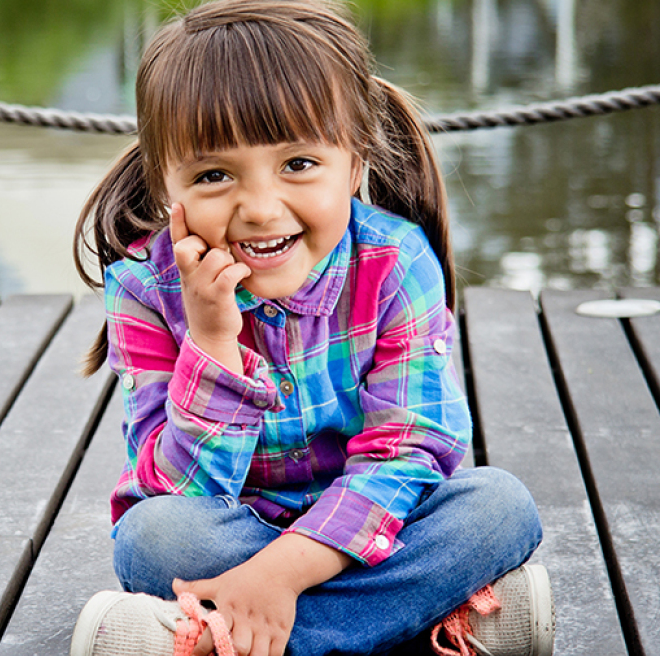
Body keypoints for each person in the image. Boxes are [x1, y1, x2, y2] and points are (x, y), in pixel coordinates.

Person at [67, 1, 554, 655]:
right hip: (231, 535)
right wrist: (213, 344)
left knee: (497, 507)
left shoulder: (395, 262)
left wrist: (280, 577)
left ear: (354, 163)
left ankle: (217, 639)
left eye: (297, 164)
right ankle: (426, 625)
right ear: (166, 188)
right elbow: (174, 491)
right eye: (214, 175)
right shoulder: (144, 288)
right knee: (154, 537)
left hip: (374, 527)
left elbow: (409, 455)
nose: (261, 209)